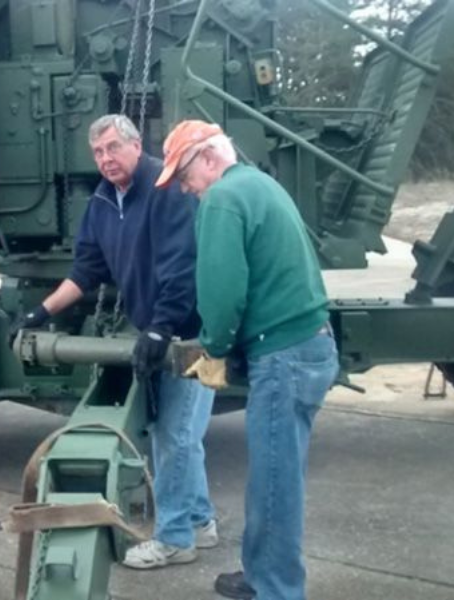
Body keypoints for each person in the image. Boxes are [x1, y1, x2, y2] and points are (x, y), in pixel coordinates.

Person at [18, 114, 218, 569]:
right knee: (176, 432)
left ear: (134, 145)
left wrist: (158, 328)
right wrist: (42, 311)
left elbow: (181, 269)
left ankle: (175, 538)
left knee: (177, 435)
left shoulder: (166, 190)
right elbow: (86, 271)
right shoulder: (104, 202)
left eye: (112, 148)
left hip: (191, 333)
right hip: (157, 331)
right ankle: (200, 521)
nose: (106, 159)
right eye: (98, 152)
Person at [157, 120, 339, 600]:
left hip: (284, 355)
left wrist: (214, 346)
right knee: (275, 477)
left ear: (209, 159)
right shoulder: (260, 184)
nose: (184, 188)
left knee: (276, 483)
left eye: (184, 176)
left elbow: (221, 289)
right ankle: (263, 575)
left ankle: (277, 589)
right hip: (308, 346)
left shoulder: (221, 199)